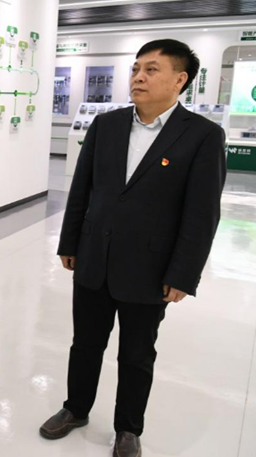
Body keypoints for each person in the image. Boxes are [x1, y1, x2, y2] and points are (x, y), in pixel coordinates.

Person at [39, 39, 226, 457]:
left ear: (180, 80)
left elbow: (201, 214)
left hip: (150, 268)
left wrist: (183, 274)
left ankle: (128, 428)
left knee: (137, 354)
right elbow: (82, 189)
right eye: (136, 69)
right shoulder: (106, 125)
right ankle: (75, 408)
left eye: (151, 70)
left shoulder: (202, 136)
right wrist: (70, 242)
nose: (139, 77)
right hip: (94, 258)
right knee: (85, 343)